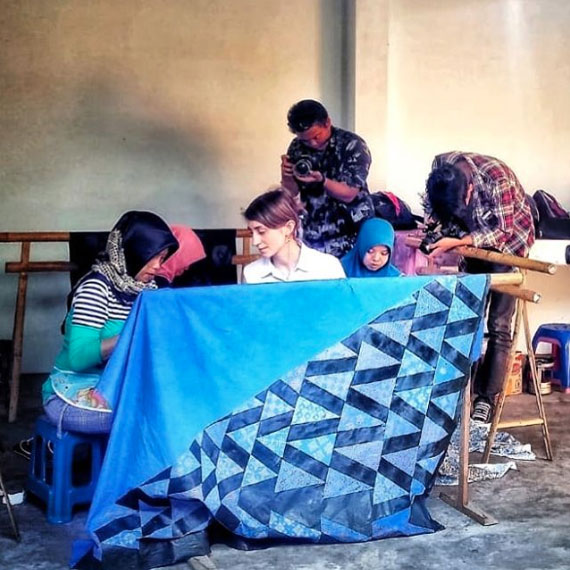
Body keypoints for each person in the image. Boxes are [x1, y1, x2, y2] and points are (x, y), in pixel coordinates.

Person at [14, 211, 178, 459]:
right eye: (152, 256)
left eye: (162, 258)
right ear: (133, 251)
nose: (158, 266)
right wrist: (132, 334)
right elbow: (79, 358)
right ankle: (56, 439)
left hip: (119, 385)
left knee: (176, 404)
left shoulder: (150, 292)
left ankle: (74, 450)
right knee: (144, 416)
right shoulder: (96, 289)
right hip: (73, 389)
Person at [424, 151, 535, 423]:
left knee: (498, 324)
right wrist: (435, 232)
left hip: (509, 247)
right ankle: (460, 391)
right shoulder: (441, 168)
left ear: (470, 190)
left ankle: (486, 398)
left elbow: (503, 231)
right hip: (472, 247)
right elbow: (435, 211)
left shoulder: (497, 177)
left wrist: (460, 241)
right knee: (467, 319)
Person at [280, 99, 374, 258]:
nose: (311, 143)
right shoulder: (297, 146)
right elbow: (291, 193)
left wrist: (322, 181)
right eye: (305, 140)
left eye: (316, 136)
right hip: (313, 234)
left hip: (351, 233)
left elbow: (349, 194)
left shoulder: (352, 144)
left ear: (327, 123)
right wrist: (287, 176)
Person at [242, 188, 345, 284]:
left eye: (261, 231)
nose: (255, 242)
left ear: (288, 227)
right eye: (251, 233)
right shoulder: (251, 274)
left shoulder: (328, 268)